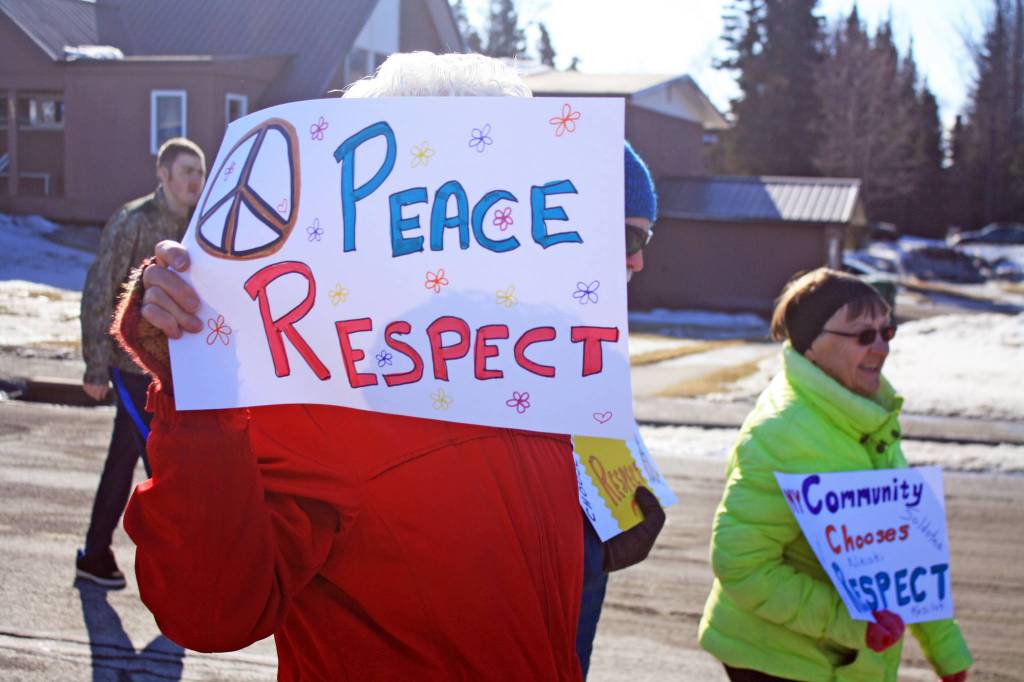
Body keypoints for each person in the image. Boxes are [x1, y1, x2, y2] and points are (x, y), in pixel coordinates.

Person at [111, 52, 663, 680]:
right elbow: (210, 613)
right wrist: (199, 383)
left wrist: (601, 522)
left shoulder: (535, 369)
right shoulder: (317, 388)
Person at [698, 268, 972, 682]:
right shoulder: (780, 433)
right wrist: (852, 625)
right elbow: (742, 567)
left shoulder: (868, 416)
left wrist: (946, 650)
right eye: (864, 335)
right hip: (774, 660)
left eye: (887, 332)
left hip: (845, 658)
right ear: (811, 347)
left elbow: (904, 555)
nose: (881, 348)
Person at [76, 137, 206, 588]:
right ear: (164, 175)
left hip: (174, 373)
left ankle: (94, 553)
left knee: (123, 459)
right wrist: (95, 366)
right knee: (164, 462)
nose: (195, 179)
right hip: (129, 368)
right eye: (187, 170)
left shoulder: (199, 225)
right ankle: (182, 570)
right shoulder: (132, 221)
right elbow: (99, 290)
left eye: (200, 172)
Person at [575, 142, 666, 679]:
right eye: (628, 236)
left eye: (646, 238)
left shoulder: (592, 335)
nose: (638, 260)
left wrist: (613, 517)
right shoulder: (487, 348)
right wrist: (586, 553)